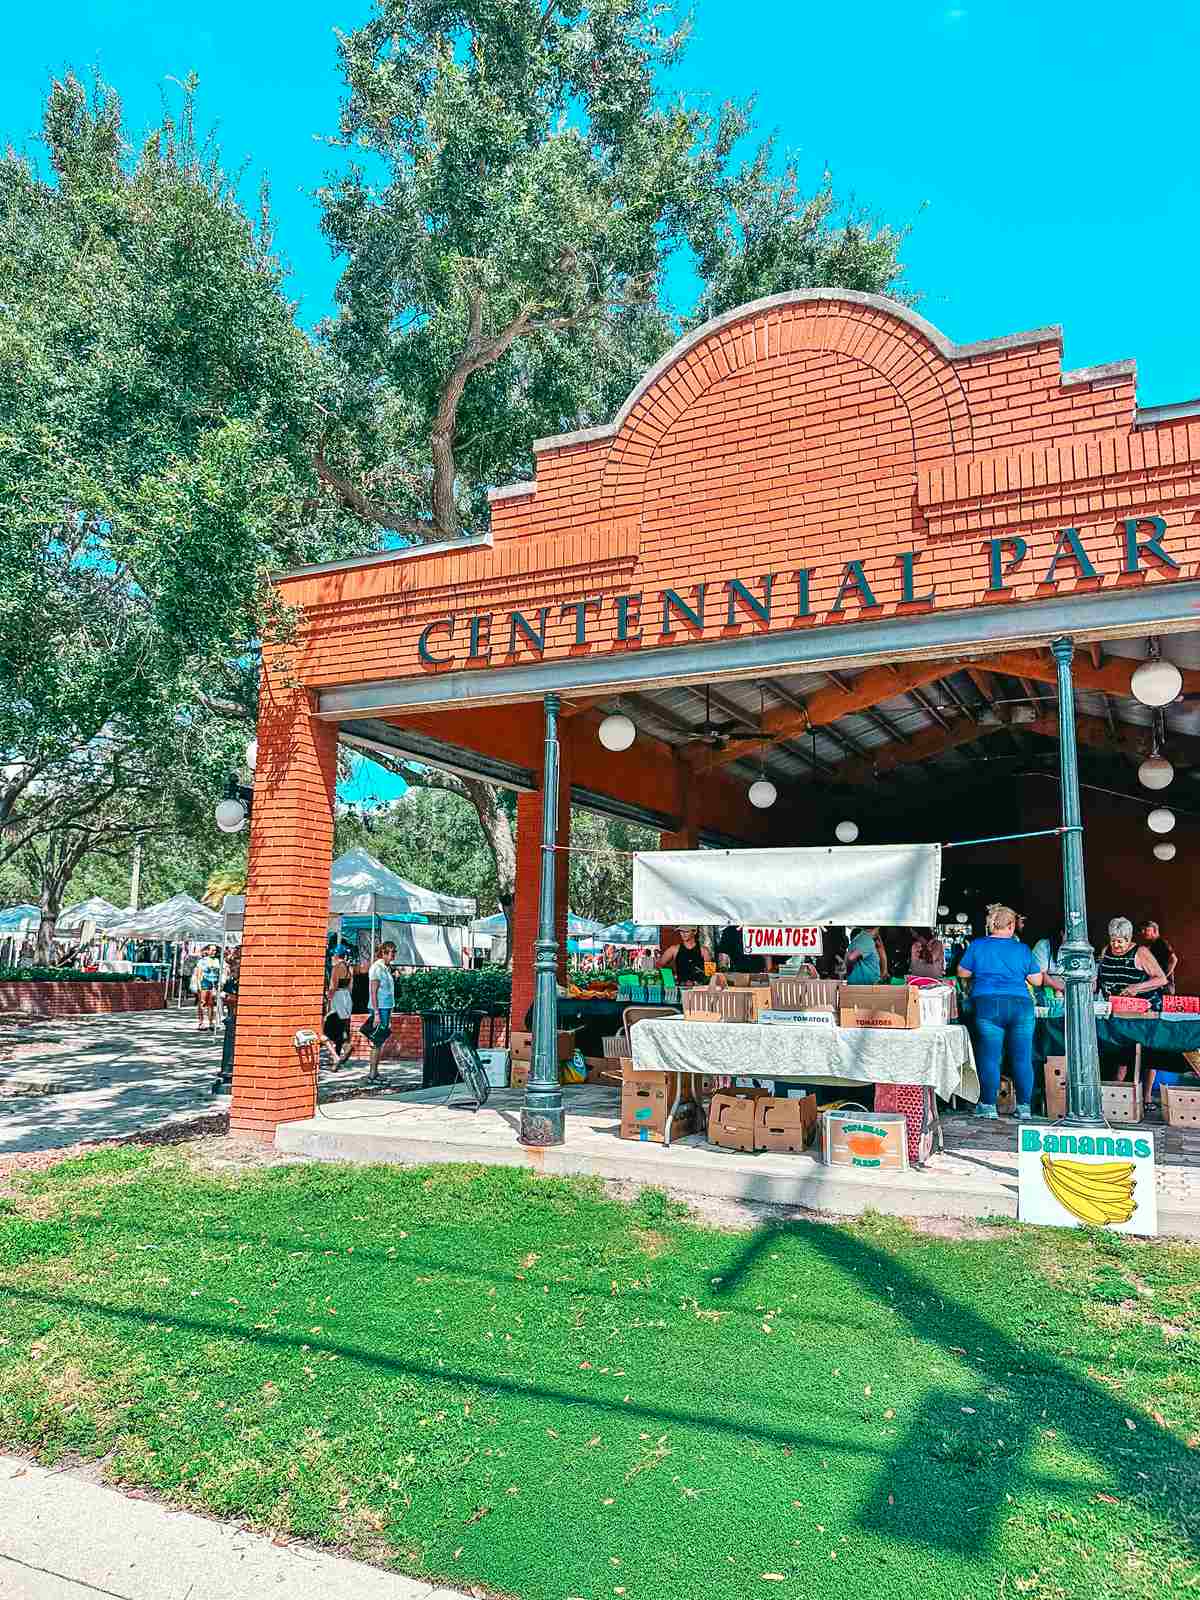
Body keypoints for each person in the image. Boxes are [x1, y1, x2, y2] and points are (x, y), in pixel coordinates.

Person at [957, 905, 1045, 1119]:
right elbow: (1037, 980)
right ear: (1012, 925)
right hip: (1020, 1006)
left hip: (988, 1005)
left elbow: (962, 972)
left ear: (991, 924)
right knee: (1022, 1057)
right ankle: (1024, 1108)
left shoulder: (978, 945)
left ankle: (988, 1106)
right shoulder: (1022, 949)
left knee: (990, 1056)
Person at [1096, 917, 1167, 1002]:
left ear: (1128, 939)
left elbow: (1162, 979)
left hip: (1140, 1007)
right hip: (1113, 1006)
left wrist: (1137, 988)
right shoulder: (1106, 950)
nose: (1115, 945)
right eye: (1112, 940)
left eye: (1119, 942)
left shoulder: (1141, 952)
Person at [365, 940, 397, 1082]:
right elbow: (373, 992)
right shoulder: (377, 968)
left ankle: (375, 1072)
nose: (394, 956)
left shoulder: (386, 967)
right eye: (392, 953)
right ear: (384, 952)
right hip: (380, 1008)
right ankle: (372, 1074)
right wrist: (376, 1013)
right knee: (376, 1040)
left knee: (379, 1040)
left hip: (386, 1008)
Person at [323, 941, 355, 1068]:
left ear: (336, 956)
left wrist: (329, 999)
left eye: (332, 955)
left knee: (329, 1028)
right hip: (347, 997)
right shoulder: (349, 967)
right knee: (342, 1027)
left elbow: (333, 986)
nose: (331, 958)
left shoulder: (336, 968)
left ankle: (340, 1051)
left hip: (338, 999)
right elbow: (351, 986)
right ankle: (338, 1054)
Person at [1138, 919, 1178, 993]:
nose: (1142, 932)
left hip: (1164, 987)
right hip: (1156, 985)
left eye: (1146, 929)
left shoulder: (1161, 943)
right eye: (1142, 930)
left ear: (1155, 930)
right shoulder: (1151, 945)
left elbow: (1174, 960)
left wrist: (1164, 977)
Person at [192, 944, 222, 1033]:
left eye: (215, 950)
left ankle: (211, 1022)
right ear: (208, 951)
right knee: (202, 1003)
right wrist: (198, 985)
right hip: (204, 982)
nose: (214, 952)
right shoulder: (202, 961)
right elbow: (198, 973)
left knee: (211, 1003)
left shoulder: (217, 960)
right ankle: (201, 1022)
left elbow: (219, 972)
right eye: (212, 950)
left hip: (214, 983)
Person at [1030, 928, 1067, 996]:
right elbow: (1042, 977)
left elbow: (1093, 981)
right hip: (1048, 994)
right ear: (1062, 933)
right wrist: (1066, 989)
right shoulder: (1044, 945)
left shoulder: (1084, 948)